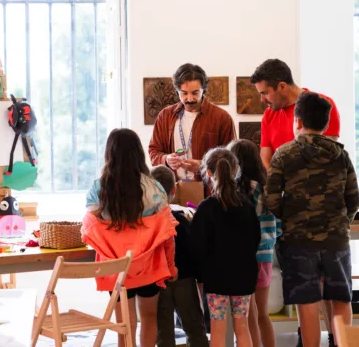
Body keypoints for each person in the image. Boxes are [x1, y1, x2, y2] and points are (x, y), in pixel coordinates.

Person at [250, 58, 340, 346]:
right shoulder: (269, 116)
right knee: (303, 285)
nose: (263, 100)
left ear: (282, 86)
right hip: (289, 216)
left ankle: (337, 340)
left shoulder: (321, 105)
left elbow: (329, 154)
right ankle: (308, 339)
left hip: (322, 215)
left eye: (265, 93)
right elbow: (265, 158)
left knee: (328, 287)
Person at [266, 92, 359, 347]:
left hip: (298, 242)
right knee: (340, 298)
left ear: (297, 121)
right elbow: (354, 199)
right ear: (326, 123)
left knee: (307, 303)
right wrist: (341, 223)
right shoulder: (341, 155)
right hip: (336, 241)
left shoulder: (284, 154)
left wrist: (291, 218)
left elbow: (271, 199)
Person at [81, 129, 178, 347]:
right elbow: (167, 233)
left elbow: (90, 227)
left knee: (124, 321)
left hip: (114, 266)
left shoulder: (99, 188)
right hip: (150, 265)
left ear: (110, 154)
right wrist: (171, 265)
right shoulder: (154, 188)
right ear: (139, 154)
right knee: (149, 317)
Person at [191, 148, 261, 347]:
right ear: (236, 170)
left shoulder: (206, 208)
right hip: (244, 276)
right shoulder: (247, 206)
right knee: (242, 327)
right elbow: (255, 239)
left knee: (218, 328)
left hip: (216, 278)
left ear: (209, 173)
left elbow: (198, 246)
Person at [228, 139, 280, 347]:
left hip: (245, 257)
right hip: (266, 255)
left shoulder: (239, 190)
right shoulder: (266, 188)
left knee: (248, 314)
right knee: (263, 313)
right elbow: (279, 223)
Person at [149, 63, 236, 184]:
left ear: (203, 90)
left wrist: (203, 165)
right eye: (184, 93)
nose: (189, 99)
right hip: (173, 188)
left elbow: (231, 158)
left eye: (195, 93)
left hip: (209, 190)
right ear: (177, 90)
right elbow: (154, 151)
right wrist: (166, 159)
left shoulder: (222, 118)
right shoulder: (165, 116)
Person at [151, 165, 209, 347]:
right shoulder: (182, 221)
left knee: (163, 334)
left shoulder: (147, 224)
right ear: (174, 190)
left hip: (158, 282)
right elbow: (195, 254)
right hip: (185, 281)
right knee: (195, 330)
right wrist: (201, 282)